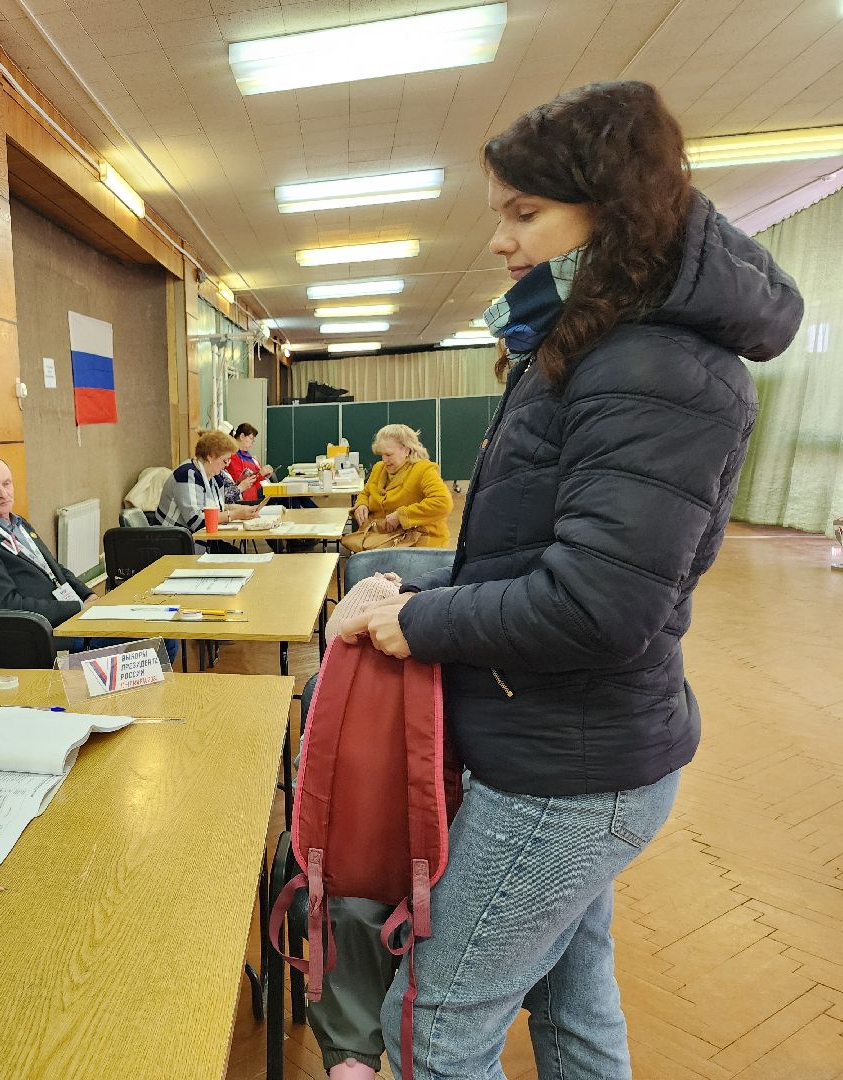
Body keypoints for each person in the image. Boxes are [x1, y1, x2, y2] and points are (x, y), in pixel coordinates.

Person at [340, 81, 801, 1079]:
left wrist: (420, 621)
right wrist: (405, 579)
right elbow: (534, 555)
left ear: (614, 209)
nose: (502, 242)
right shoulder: (596, 346)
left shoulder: (651, 364)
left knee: (431, 1030)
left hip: (568, 769)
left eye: (525, 213)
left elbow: (599, 605)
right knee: (574, 1005)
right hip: (570, 748)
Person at [0, 455, 177, 660]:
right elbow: (8, 606)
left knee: (163, 628)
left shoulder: (19, 524)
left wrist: (87, 594)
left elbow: (55, 568)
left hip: (73, 617)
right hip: (50, 633)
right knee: (161, 640)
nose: (3, 493)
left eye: (7, 483)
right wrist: (77, 607)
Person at [341, 424, 452, 552]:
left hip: (418, 542)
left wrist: (401, 515)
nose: (384, 460)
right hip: (382, 538)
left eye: (389, 454)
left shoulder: (423, 469)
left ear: (407, 450)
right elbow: (366, 493)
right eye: (381, 454)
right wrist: (361, 504)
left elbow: (442, 502)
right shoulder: (379, 468)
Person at [156, 430, 260, 547]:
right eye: (225, 460)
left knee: (235, 555)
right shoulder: (188, 475)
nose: (227, 465)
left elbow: (218, 507)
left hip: (198, 540)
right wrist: (235, 514)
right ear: (210, 456)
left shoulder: (214, 477)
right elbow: (197, 521)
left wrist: (245, 509)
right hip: (175, 545)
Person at [225, 422, 274, 502]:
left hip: (254, 495)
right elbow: (239, 482)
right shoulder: (233, 456)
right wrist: (260, 474)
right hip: (245, 499)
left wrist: (265, 475)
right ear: (241, 436)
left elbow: (257, 477)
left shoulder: (249, 457)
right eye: (251, 438)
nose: (253, 442)